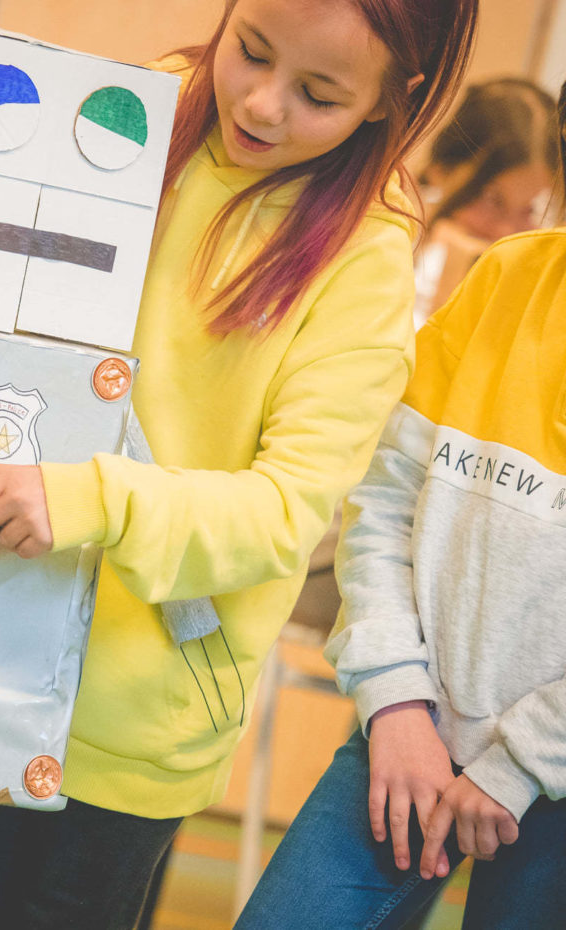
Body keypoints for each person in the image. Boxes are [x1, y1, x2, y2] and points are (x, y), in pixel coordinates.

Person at [0, 0, 478, 926]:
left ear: (389, 99)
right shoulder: (126, 117)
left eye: (319, 95)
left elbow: (283, 514)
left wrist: (92, 500)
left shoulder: (364, 263)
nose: (261, 104)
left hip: (139, 712)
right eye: (251, 51)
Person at [234, 79, 566, 930]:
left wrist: (523, 763)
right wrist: (394, 700)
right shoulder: (503, 276)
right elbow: (383, 502)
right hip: (415, 724)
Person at [412, 77, 558, 327]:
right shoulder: (391, 245)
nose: (504, 231)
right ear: (441, 170)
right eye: (492, 199)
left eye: (530, 209)